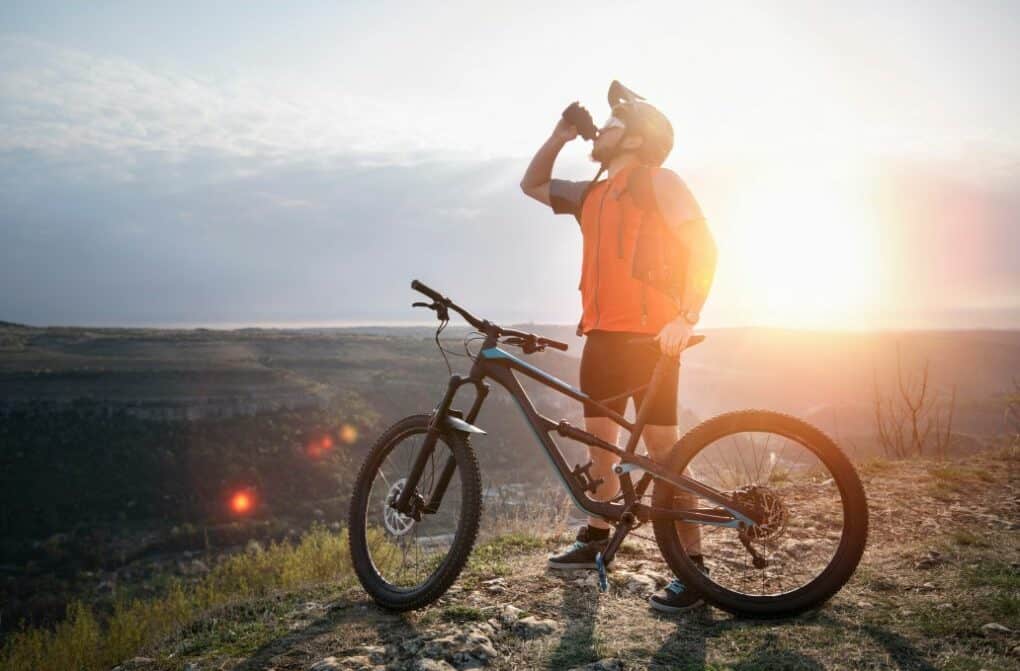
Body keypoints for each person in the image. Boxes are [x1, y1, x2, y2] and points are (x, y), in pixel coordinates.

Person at [519, 83, 718, 613]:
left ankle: (694, 569)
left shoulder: (659, 182)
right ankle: (596, 535)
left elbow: (704, 247)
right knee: (599, 446)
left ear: (638, 137)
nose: (600, 130)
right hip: (601, 338)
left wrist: (687, 314)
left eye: (612, 123)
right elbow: (532, 183)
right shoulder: (593, 195)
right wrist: (561, 135)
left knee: (665, 458)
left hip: (650, 341)